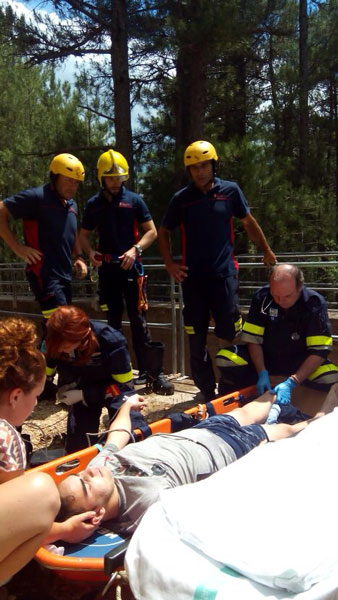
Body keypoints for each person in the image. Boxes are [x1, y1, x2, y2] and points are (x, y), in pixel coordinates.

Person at [56, 389, 314, 537]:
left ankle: (284, 384)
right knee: (286, 432)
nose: (88, 474)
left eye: (79, 476)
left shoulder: (102, 467)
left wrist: (127, 407)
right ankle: (324, 416)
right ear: (96, 514)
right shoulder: (148, 507)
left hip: (204, 430)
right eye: (86, 486)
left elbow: (118, 435)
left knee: (247, 409)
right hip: (230, 450)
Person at [158, 140, 276, 402]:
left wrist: (266, 250)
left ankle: (230, 385)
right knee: (195, 336)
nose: (200, 172)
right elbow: (163, 231)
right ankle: (205, 389)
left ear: (213, 165)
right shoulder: (182, 199)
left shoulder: (230, 191)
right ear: (188, 171)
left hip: (224, 276)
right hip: (193, 280)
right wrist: (169, 264)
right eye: (194, 167)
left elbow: (248, 222)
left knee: (229, 333)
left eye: (204, 165)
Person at [79, 149, 173, 395]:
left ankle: (151, 374)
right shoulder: (93, 205)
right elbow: (84, 235)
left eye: (118, 177)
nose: (114, 182)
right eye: (110, 178)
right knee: (111, 324)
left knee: (139, 321)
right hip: (108, 271)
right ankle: (117, 373)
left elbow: (151, 231)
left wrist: (136, 250)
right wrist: (90, 254)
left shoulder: (134, 200)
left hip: (131, 268)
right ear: (101, 178)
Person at [0, 153, 88, 399]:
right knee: (63, 326)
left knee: (54, 330)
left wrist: (79, 258)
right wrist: (18, 248)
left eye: (76, 182)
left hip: (64, 276)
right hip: (43, 274)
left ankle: (43, 378)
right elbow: (1, 211)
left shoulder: (72, 205)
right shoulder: (36, 197)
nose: (73, 186)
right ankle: (56, 378)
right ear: (55, 176)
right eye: (68, 180)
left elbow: (71, 236)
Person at [217, 263, 338, 403]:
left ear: (299, 287)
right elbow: (253, 340)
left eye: (287, 296)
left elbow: (319, 352)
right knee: (226, 358)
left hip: (300, 362)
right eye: (276, 296)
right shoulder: (262, 297)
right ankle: (243, 397)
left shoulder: (314, 304)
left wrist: (293, 380)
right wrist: (262, 371)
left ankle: (302, 400)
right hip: (266, 361)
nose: (281, 301)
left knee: (331, 378)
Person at [0, 316, 60, 583]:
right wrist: (65, 529)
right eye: (35, 396)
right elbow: (18, 518)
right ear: (15, 396)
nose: (36, 405)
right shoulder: (5, 436)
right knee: (43, 491)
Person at [45, 305, 150, 454]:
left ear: (82, 337)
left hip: (112, 387)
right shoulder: (55, 341)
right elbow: (48, 366)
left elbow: (123, 387)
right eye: (58, 346)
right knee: (79, 446)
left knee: (132, 428)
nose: (61, 349)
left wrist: (84, 394)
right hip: (82, 385)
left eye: (65, 346)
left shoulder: (111, 340)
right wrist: (50, 385)